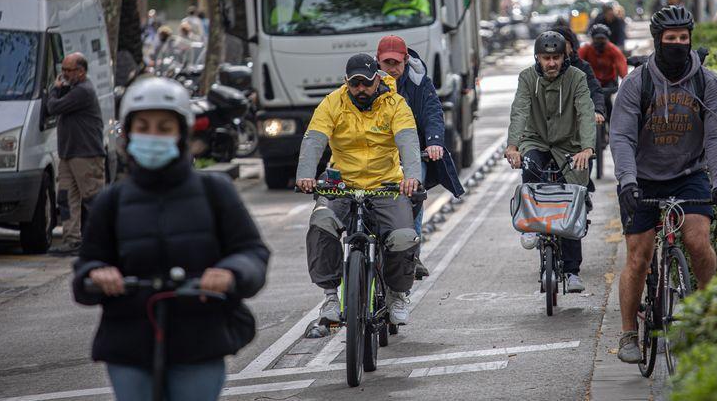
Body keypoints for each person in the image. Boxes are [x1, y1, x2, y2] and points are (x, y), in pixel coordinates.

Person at [71, 77, 270, 400]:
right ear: (128, 132)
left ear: (182, 134)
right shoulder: (112, 201)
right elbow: (86, 267)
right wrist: (96, 273)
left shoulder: (214, 191)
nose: (153, 135)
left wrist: (231, 272)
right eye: (143, 126)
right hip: (128, 344)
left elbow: (252, 253)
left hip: (199, 341)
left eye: (164, 127)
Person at [609, 5, 717, 363]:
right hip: (642, 179)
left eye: (683, 38)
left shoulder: (706, 82)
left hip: (688, 175)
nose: (678, 44)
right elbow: (621, 138)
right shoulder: (637, 83)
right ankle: (629, 334)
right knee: (639, 256)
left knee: (698, 242)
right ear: (657, 41)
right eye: (670, 38)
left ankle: (709, 318)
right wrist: (628, 182)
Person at [297, 54, 422, 326]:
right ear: (346, 82)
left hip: (386, 185)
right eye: (355, 84)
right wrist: (305, 175)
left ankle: (397, 294)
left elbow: (408, 142)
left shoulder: (395, 104)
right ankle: (330, 296)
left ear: (377, 78)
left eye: (366, 83)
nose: (361, 89)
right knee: (321, 223)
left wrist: (411, 177)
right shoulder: (332, 103)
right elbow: (314, 139)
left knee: (403, 237)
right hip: (341, 185)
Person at [505, 31, 596, 293]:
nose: (552, 63)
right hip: (536, 140)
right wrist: (513, 146)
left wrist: (587, 148)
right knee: (529, 166)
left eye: (556, 57)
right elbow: (520, 110)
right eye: (546, 58)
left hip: (569, 145)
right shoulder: (526, 78)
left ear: (565, 57)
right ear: (537, 58)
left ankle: (572, 270)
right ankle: (531, 226)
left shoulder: (577, 78)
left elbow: (586, 112)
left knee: (571, 200)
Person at [375, 35, 465, 279]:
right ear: (377, 62)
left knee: (413, 193)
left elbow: (432, 111)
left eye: (397, 63)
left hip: (414, 153)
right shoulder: (368, 85)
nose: (392, 69)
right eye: (387, 64)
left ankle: (412, 255)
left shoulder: (420, 83)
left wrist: (434, 143)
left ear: (406, 60)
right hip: (378, 156)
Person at [47, 53, 106, 254]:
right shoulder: (73, 89)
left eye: (67, 70)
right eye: (62, 69)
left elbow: (54, 107)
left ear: (81, 71)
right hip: (68, 154)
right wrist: (62, 87)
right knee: (66, 198)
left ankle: (103, 240)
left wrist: (55, 89)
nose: (63, 74)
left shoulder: (84, 91)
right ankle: (73, 240)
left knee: (93, 198)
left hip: (86, 154)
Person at [551, 25, 607, 129]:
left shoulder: (582, 67)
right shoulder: (536, 72)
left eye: (563, 43)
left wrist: (597, 110)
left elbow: (594, 89)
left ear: (571, 47)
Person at [579, 24, 628, 122]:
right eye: (597, 39)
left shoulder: (613, 50)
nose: (599, 42)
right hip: (592, 81)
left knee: (608, 103)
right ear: (592, 39)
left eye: (602, 39)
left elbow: (622, 65)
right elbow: (577, 64)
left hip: (608, 82)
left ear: (607, 39)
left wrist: (627, 82)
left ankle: (611, 124)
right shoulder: (586, 49)